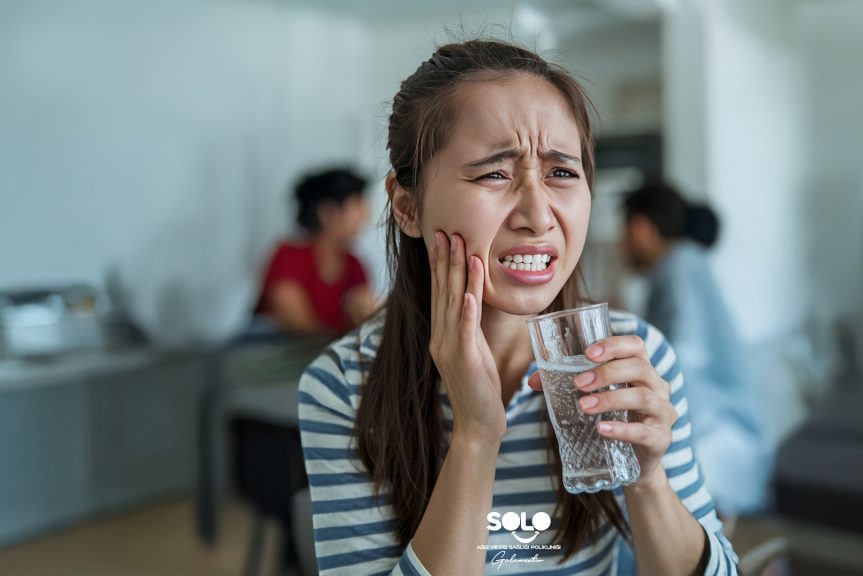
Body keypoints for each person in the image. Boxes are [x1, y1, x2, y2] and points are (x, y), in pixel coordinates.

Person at [298, 40, 739, 575]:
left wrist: (648, 480)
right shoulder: (344, 385)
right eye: (494, 173)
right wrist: (476, 437)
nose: (538, 215)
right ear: (408, 206)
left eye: (562, 173)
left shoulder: (631, 357)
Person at [621, 182, 770, 515]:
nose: (621, 244)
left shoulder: (678, 267)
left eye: (623, 232)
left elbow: (680, 360)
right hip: (723, 435)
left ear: (640, 229)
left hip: (719, 442)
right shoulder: (685, 263)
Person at [256, 167, 377, 334]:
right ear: (327, 212)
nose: (365, 214)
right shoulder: (290, 257)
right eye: (357, 204)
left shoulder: (354, 265)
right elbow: (297, 326)